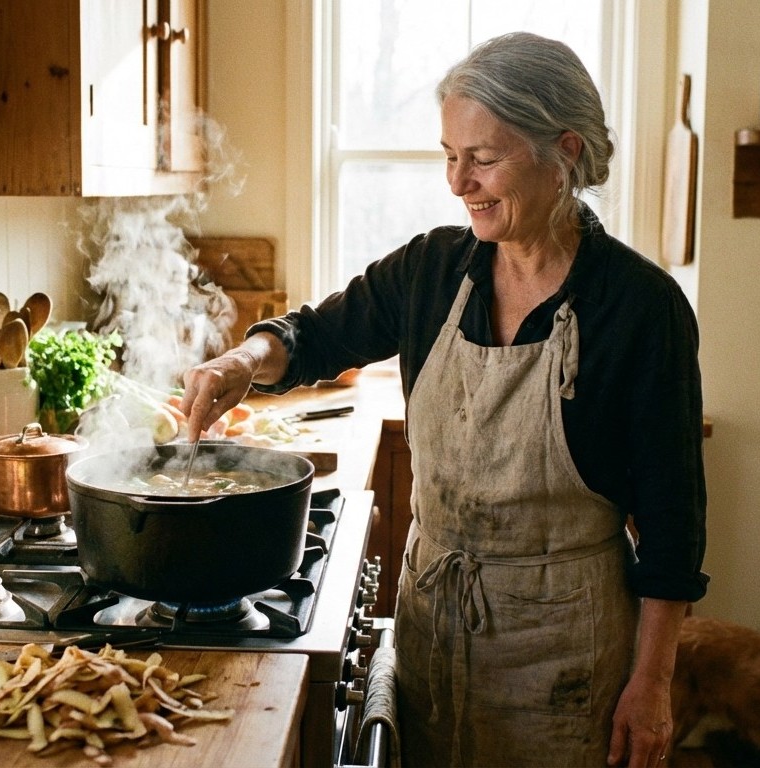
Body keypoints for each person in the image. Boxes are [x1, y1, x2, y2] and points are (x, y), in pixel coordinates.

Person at [180, 32, 708, 768]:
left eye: (483, 159)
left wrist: (651, 684)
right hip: (432, 627)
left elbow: (672, 527)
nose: (457, 183)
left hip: (563, 657)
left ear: (564, 154)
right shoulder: (432, 269)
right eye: (449, 156)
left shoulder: (640, 308)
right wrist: (245, 358)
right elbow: (317, 334)